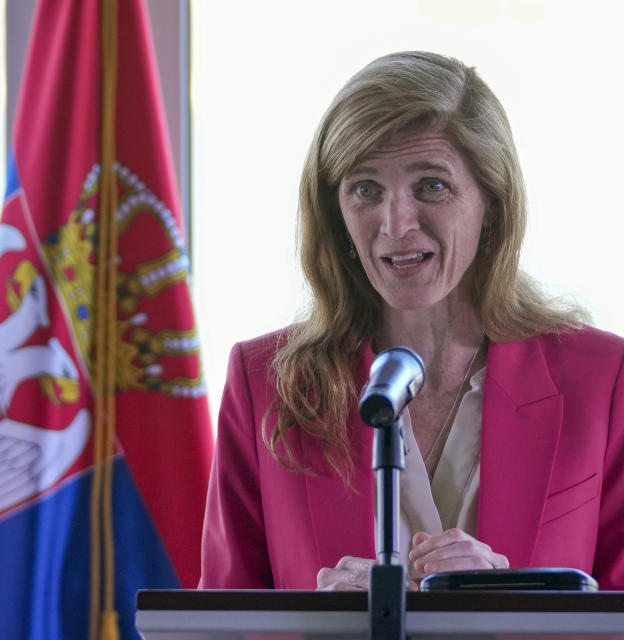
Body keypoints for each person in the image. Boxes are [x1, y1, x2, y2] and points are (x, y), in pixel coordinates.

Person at [199, 51, 624, 591]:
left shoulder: (601, 378)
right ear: (336, 211)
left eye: (431, 185)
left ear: (492, 201)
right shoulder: (264, 383)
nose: (396, 224)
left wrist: (517, 605)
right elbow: (221, 621)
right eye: (365, 189)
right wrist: (313, 626)